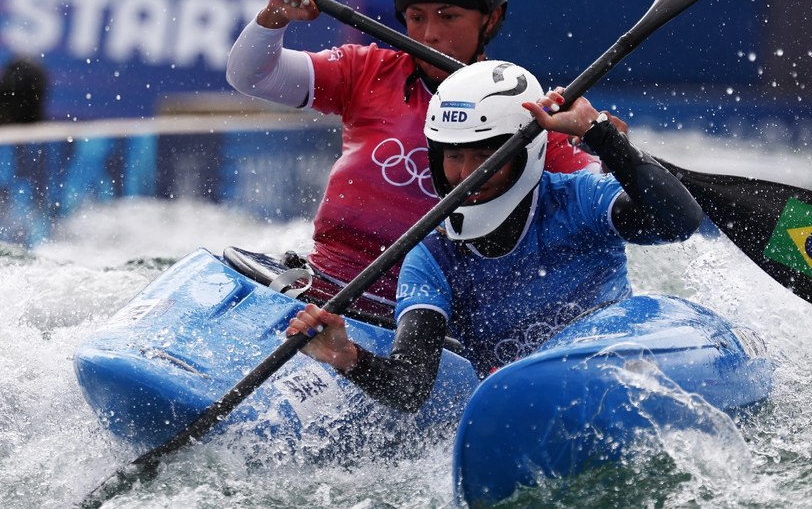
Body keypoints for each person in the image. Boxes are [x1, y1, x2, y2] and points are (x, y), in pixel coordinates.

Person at [228, 0, 621, 318]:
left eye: (448, 16)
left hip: (426, 321)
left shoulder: (528, 112)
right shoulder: (366, 70)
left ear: (491, 19)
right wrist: (276, 15)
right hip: (322, 288)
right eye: (416, 17)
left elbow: (604, 204)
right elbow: (252, 77)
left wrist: (607, 147)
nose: (430, 33)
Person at [285, 61, 702, 410]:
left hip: (618, 380)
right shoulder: (431, 258)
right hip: (524, 410)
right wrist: (348, 358)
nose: (467, 175)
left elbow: (678, 223)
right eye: (453, 155)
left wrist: (600, 134)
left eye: (486, 155)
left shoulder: (580, 200)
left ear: (527, 153)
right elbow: (410, 388)